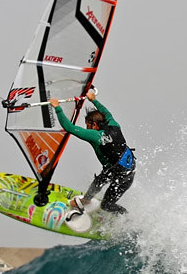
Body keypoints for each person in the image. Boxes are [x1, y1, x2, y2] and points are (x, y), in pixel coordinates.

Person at [49, 89, 135, 219]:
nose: (87, 128)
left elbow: (70, 128)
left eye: (88, 125)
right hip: (130, 172)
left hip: (119, 176)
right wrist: (93, 99)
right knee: (101, 180)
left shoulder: (96, 136)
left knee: (105, 203)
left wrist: (57, 108)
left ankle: (124, 217)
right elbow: (106, 112)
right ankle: (126, 217)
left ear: (94, 125)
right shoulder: (113, 124)